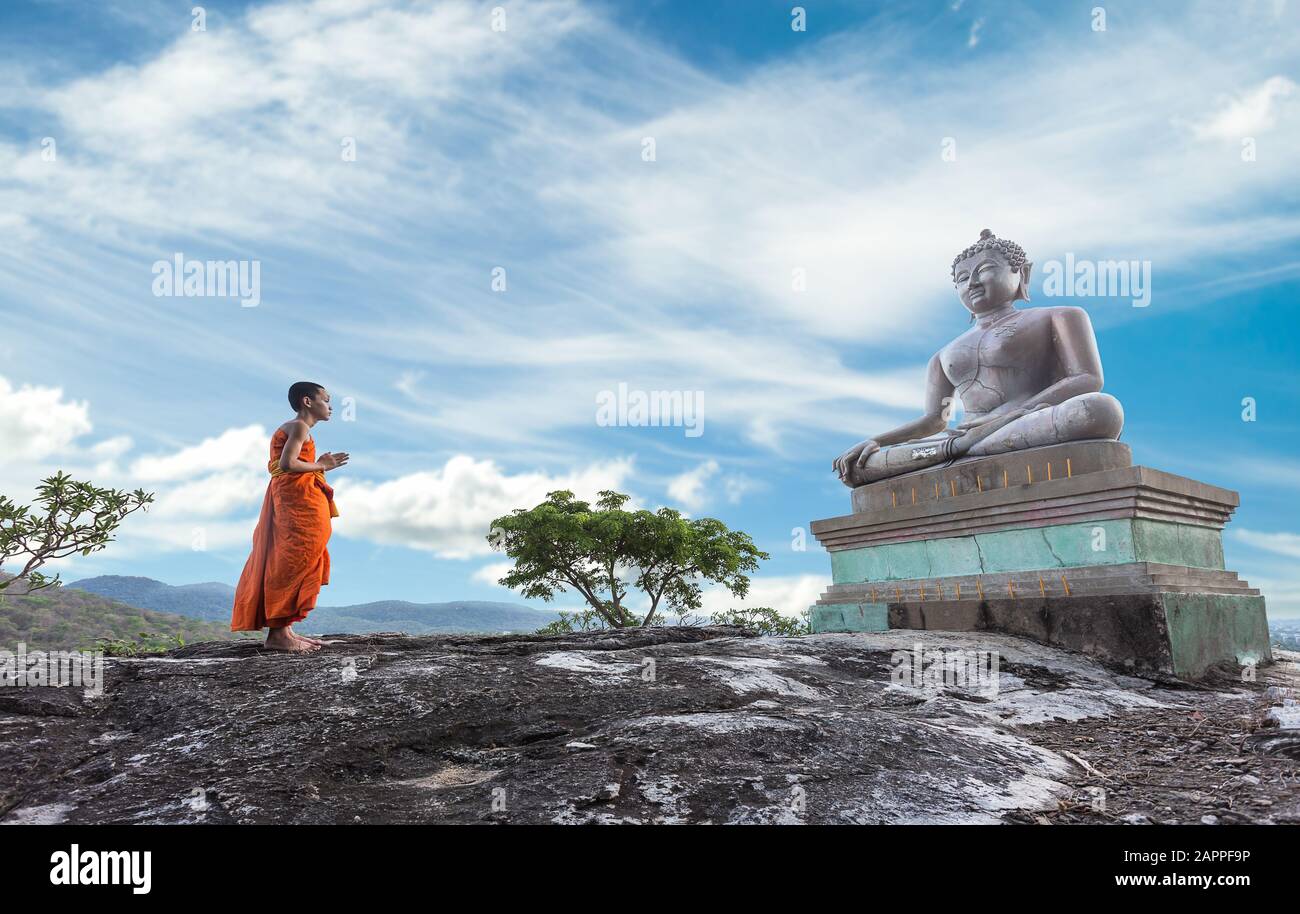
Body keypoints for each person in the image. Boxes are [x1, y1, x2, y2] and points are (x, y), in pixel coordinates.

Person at [833, 229, 1124, 487]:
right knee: (861, 467)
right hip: (958, 435)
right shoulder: (942, 355)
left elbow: (1087, 378)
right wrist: (877, 442)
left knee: (1098, 410)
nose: (971, 283)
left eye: (984, 270)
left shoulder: (1060, 316)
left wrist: (1009, 414)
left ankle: (961, 451)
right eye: (961, 278)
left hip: (1025, 422)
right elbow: (935, 420)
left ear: (1022, 273)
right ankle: (962, 448)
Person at [231, 381, 349, 651]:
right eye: (326, 399)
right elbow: (287, 464)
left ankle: (285, 629)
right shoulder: (299, 427)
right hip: (296, 503)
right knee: (291, 557)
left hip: (299, 499)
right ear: (307, 402)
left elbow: (290, 463)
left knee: (296, 556)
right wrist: (322, 464)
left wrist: (318, 464)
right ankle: (278, 635)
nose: (330, 406)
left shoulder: (301, 430)